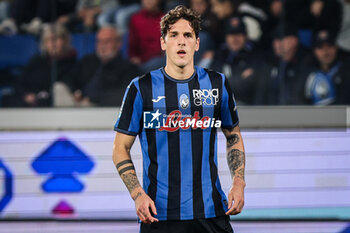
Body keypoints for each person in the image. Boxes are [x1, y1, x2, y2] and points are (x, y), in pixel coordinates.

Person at [112, 5, 246, 233]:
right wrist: (137, 195)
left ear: (197, 43)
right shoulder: (140, 88)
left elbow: (233, 136)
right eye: (173, 35)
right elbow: (120, 148)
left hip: (211, 212)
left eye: (188, 35)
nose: (181, 41)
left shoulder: (217, 84)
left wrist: (239, 182)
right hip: (159, 215)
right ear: (163, 43)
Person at [64, 26, 139, 106]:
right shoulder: (87, 61)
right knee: (59, 89)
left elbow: (122, 95)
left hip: (101, 109)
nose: (102, 46)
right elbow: (69, 78)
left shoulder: (128, 69)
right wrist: (75, 91)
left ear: (119, 43)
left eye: (107, 41)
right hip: (76, 103)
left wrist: (92, 98)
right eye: (99, 41)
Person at [19, 23, 76, 107]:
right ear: (44, 43)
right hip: (32, 102)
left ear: (64, 41)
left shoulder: (72, 63)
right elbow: (21, 83)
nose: (53, 43)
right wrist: (26, 95)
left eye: (56, 39)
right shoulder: (36, 61)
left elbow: (68, 86)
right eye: (49, 40)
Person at [210, 17, 259, 105]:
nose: (235, 39)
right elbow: (215, 85)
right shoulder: (220, 55)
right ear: (226, 37)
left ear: (245, 37)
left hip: (249, 107)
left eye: (239, 34)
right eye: (231, 34)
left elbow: (251, 86)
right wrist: (240, 79)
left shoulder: (254, 54)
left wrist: (227, 81)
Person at [303, 30, 350, 105]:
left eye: (329, 46)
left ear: (336, 48)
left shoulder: (347, 72)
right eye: (320, 47)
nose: (326, 51)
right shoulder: (306, 74)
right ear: (314, 50)